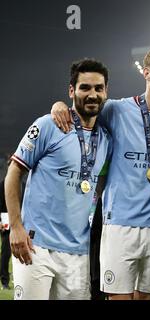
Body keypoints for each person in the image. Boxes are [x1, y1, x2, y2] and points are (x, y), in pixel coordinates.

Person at [51, 46, 150, 300]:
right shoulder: (116, 110)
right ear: (147, 73)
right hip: (119, 224)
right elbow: (82, 112)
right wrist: (60, 104)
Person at [4, 59, 111, 299]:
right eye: (85, 87)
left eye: (98, 88)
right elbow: (14, 173)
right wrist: (16, 227)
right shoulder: (48, 125)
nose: (92, 94)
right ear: (72, 90)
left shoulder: (107, 138)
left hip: (79, 252)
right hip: (36, 245)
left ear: (106, 92)